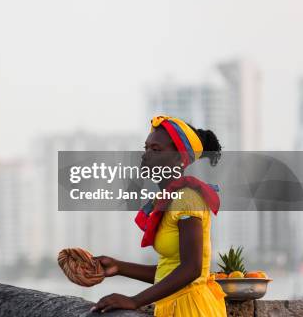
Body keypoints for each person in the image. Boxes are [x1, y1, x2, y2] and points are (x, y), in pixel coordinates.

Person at [91, 115, 227, 316]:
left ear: (179, 158)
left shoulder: (186, 198)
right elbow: (168, 271)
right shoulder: (167, 200)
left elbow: (192, 269)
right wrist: (118, 266)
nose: (146, 155)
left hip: (191, 309)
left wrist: (133, 301)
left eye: (155, 150)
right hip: (172, 307)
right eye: (145, 148)